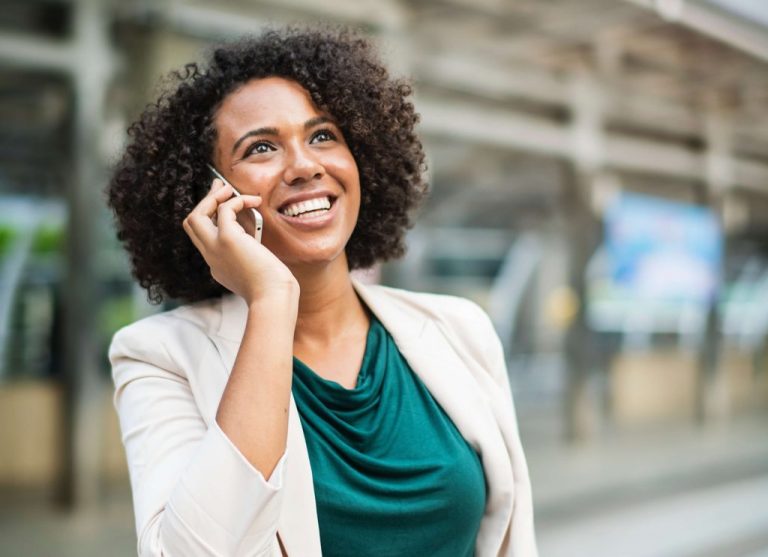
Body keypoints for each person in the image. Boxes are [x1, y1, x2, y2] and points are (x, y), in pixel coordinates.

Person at [106, 26, 537, 557]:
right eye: (261, 147)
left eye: (323, 135)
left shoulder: (458, 330)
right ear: (210, 193)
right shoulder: (158, 356)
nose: (306, 165)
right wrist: (269, 300)